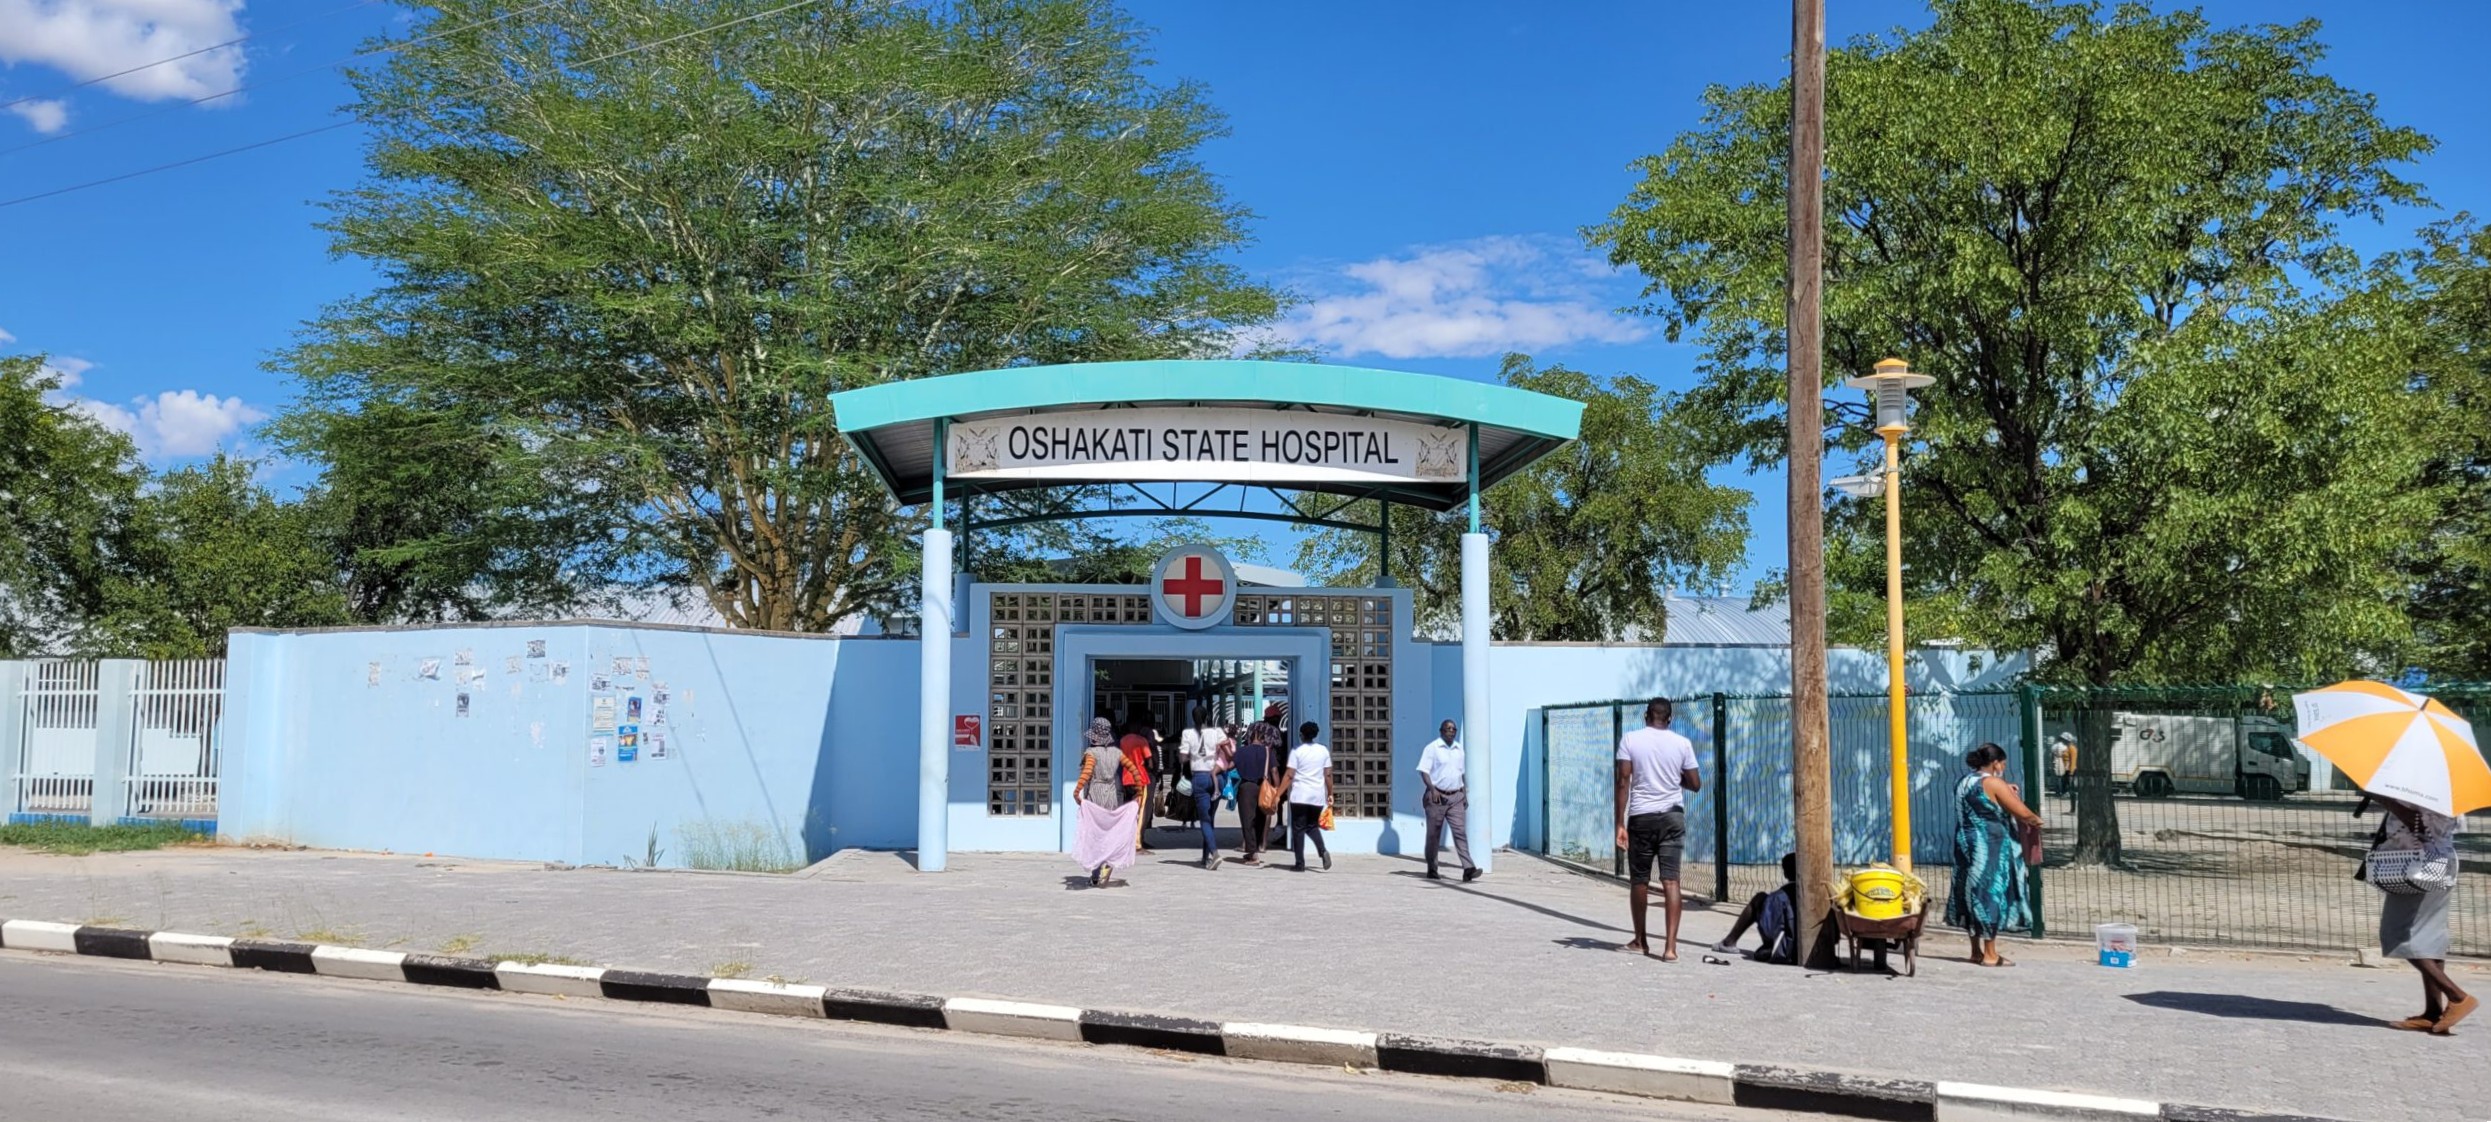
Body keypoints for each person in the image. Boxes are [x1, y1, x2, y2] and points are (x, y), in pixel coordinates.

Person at [2372, 797, 2475, 1033]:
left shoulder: (2424, 794)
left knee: (2397, 935)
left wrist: (2385, 799)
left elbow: (2417, 824)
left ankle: (2458, 997)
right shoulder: (2447, 792)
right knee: (2429, 940)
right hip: (2441, 864)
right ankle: (2433, 1013)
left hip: (2418, 869)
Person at [1614, 697, 1701, 961]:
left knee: (1639, 880)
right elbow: (1695, 784)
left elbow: (1623, 781)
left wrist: (1619, 823)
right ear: (1670, 718)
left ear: (1645, 715)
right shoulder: (1682, 743)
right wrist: (1674, 778)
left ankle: (1640, 940)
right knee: (1671, 880)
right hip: (1673, 816)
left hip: (1641, 817)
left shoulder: (1630, 740)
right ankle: (1670, 948)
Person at [1944, 742, 2042, 967]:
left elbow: (1982, 802)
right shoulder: (1994, 782)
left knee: (1969, 892)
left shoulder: (1964, 781)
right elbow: (2021, 812)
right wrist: (2037, 821)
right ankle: (1990, 954)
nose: (2004, 767)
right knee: (1990, 892)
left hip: (1965, 845)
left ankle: (1975, 951)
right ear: (1996, 763)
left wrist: (2007, 790)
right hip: (1989, 846)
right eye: (2003, 763)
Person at [1071, 717, 1138, 886]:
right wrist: (1139, 791)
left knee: (1095, 835)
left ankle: (1095, 875)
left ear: (1094, 736)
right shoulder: (1117, 753)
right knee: (1110, 833)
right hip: (1112, 795)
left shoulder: (1091, 753)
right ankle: (1107, 865)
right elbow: (1134, 770)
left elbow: (1086, 774)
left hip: (1096, 794)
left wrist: (1077, 791)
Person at [1416, 719, 1480, 882]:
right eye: (1448, 729)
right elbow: (1424, 771)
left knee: (1460, 832)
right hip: (1437, 797)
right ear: (1441, 731)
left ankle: (1468, 868)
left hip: (1456, 797)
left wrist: (1464, 793)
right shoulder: (1432, 748)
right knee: (1433, 835)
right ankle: (1432, 868)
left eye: (1454, 729)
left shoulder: (1459, 749)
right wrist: (1432, 789)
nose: (1451, 731)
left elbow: (1461, 773)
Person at [1713, 853, 1799, 963]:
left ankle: (1729, 942)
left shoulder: (1778, 898)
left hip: (1787, 952)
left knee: (1760, 898)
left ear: (1785, 873)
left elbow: (1767, 928)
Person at [1277, 720, 1333, 872]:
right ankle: (1322, 851)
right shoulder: (1323, 751)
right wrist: (1330, 793)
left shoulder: (1297, 751)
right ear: (1315, 735)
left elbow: (1289, 775)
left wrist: (1278, 794)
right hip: (1317, 796)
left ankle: (1300, 863)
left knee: (1298, 828)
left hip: (1299, 795)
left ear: (1301, 735)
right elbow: (1328, 774)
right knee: (1312, 826)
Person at [1180, 705, 1229, 870]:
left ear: (1193, 718)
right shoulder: (1217, 732)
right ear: (1208, 717)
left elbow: (1183, 758)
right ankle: (1204, 856)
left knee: (1204, 820)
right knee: (1210, 819)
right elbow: (1228, 750)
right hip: (1217, 777)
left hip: (1200, 777)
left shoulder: (1188, 734)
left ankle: (1214, 854)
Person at [1231, 714, 1280, 865]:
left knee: (1247, 820)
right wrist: (1277, 791)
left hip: (1246, 788)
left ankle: (1252, 854)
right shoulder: (1268, 752)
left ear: (1250, 735)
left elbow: (1230, 767)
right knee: (1260, 819)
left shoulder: (1241, 751)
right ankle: (1256, 849)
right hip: (1263, 787)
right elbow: (1274, 772)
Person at [1119, 709, 1158, 853]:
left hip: (1125, 777)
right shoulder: (1142, 741)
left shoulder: (1122, 740)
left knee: (1128, 809)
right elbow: (1150, 762)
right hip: (1140, 778)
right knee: (1141, 810)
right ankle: (1137, 843)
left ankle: (1126, 840)